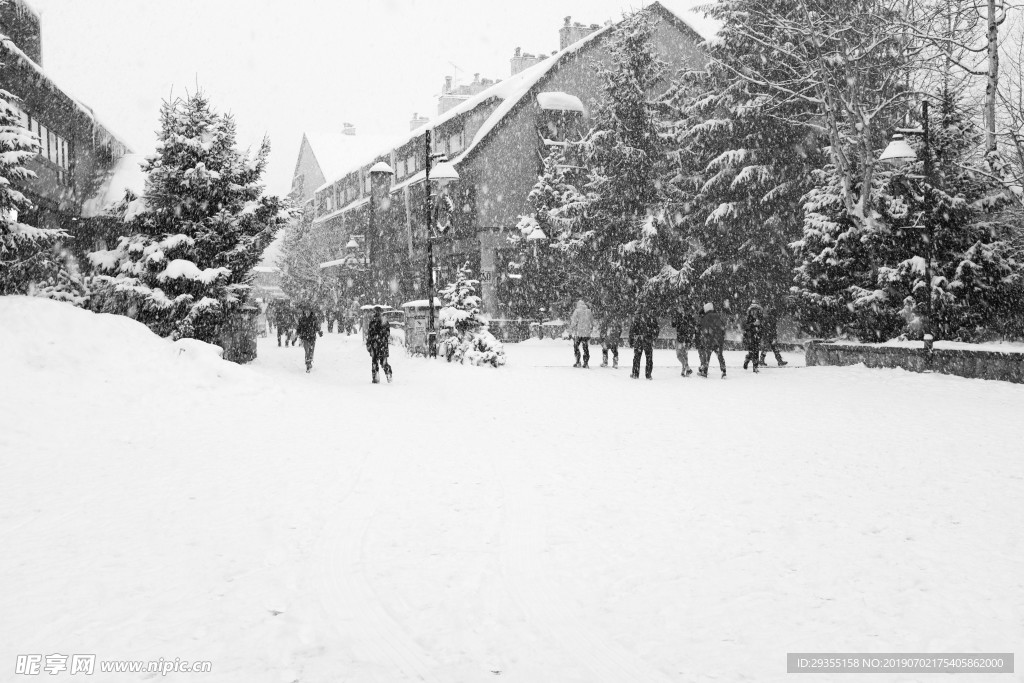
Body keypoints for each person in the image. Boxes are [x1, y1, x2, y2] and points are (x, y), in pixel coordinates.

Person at [629, 304, 660, 380]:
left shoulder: (636, 317)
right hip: (648, 340)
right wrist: (653, 338)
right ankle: (648, 375)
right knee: (649, 358)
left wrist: (631, 340)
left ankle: (635, 374)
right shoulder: (651, 317)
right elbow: (657, 329)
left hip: (638, 340)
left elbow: (632, 330)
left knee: (637, 358)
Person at [697, 302, 727, 379]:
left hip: (709, 340)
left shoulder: (705, 317)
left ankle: (705, 371)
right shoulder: (717, 316)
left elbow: (704, 329)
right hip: (718, 339)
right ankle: (723, 370)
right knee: (719, 355)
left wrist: (704, 337)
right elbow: (723, 327)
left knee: (707, 356)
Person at [366, 306, 393, 384]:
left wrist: (371, 342)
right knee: (380, 362)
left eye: (374, 312)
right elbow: (387, 333)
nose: (373, 313)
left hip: (378, 345)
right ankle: (383, 375)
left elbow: (371, 335)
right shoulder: (382, 321)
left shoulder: (377, 321)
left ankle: (379, 377)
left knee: (378, 362)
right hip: (380, 345)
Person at [670, 303, 697, 377]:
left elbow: (673, 324)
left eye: (679, 308)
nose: (679, 310)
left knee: (679, 355)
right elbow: (693, 324)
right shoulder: (688, 316)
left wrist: (674, 318)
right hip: (687, 339)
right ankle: (683, 371)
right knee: (684, 355)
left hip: (680, 339)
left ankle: (687, 367)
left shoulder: (679, 316)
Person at [295, 304, 324, 373]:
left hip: (312, 337)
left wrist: (319, 331)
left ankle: (310, 361)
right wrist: (296, 335)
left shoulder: (314, 318)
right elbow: (299, 328)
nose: (307, 312)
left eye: (308, 310)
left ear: (310, 311)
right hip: (305, 337)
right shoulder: (301, 319)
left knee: (311, 351)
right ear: (304, 311)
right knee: (307, 351)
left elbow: (317, 326)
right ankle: (307, 364)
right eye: (305, 310)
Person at [568, 298, 594, 368]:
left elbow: (573, 322)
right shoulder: (589, 311)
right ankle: (586, 363)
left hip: (579, 333)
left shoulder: (577, 311)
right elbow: (592, 322)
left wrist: (570, 331)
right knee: (585, 347)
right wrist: (590, 330)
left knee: (576, 347)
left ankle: (578, 362)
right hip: (586, 333)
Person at [742, 299, 764, 373]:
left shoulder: (760, 316)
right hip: (750, 336)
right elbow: (745, 326)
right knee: (752, 351)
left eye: (756, 310)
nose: (754, 312)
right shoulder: (748, 317)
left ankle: (755, 366)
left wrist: (760, 329)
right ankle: (748, 361)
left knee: (756, 351)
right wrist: (753, 324)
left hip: (757, 335)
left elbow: (762, 326)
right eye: (753, 310)